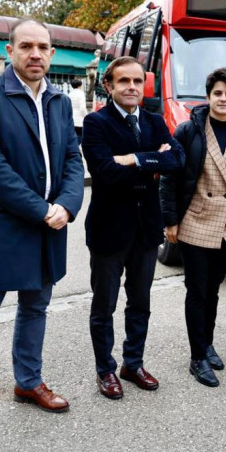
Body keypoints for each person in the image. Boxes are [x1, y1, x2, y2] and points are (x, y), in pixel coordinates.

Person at [0, 18, 84, 452]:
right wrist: (43, 209)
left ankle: (28, 383)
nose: (35, 54)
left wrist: (68, 203)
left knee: (36, 307)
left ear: (53, 53)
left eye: (43, 47)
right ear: (10, 51)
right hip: (3, 226)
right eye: (26, 46)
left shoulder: (60, 102)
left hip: (50, 224)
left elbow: (73, 161)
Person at [82, 56, 184, 399]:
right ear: (109, 86)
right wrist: (153, 159)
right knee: (104, 305)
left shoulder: (155, 122)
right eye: (123, 81)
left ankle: (133, 362)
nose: (132, 87)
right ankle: (105, 370)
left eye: (138, 81)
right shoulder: (95, 123)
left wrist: (134, 158)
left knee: (140, 302)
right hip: (109, 229)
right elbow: (105, 173)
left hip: (146, 229)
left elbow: (178, 160)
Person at [159, 68, 226, 387]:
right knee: (197, 290)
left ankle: (208, 343)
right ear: (208, 97)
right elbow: (171, 177)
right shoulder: (188, 130)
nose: (223, 99)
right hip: (195, 220)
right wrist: (170, 220)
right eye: (218, 93)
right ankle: (197, 357)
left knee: (214, 288)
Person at [68, 79, 88, 145]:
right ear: (80, 85)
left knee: (72, 136)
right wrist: (87, 116)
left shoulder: (70, 94)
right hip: (79, 118)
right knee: (80, 136)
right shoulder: (81, 94)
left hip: (71, 118)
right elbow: (82, 108)